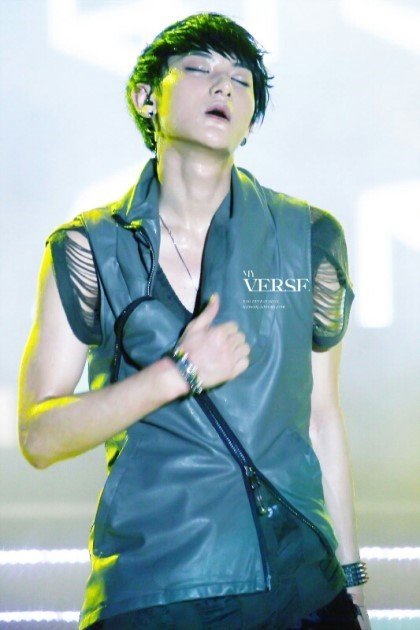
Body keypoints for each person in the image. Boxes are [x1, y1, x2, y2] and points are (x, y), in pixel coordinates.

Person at [18, 12, 371, 630]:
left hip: (298, 587)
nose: (223, 85)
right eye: (199, 68)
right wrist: (175, 373)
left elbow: (322, 418)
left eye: (241, 79)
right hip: (154, 589)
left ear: (252, 118)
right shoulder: (89, 248)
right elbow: (40, 437)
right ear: (146, 97)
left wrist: (352, 582)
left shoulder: (307, 236)